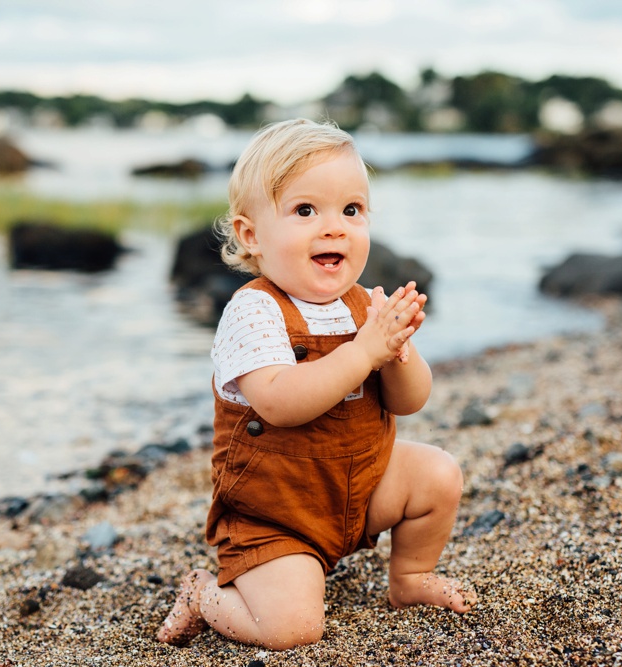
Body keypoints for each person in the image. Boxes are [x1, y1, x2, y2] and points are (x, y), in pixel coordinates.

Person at [156, 118, 476, 650]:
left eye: (351, 210)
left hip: (360, 485)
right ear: (251, 235)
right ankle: (202, 593)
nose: (334, 228)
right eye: (306, 211)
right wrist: (364, 351)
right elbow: (280, 402)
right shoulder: (253, 311)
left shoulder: (364, 304)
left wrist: (396, 351)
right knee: (292, 630)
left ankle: (410, 577)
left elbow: (410, 401)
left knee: (438, 473)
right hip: (277, 515)